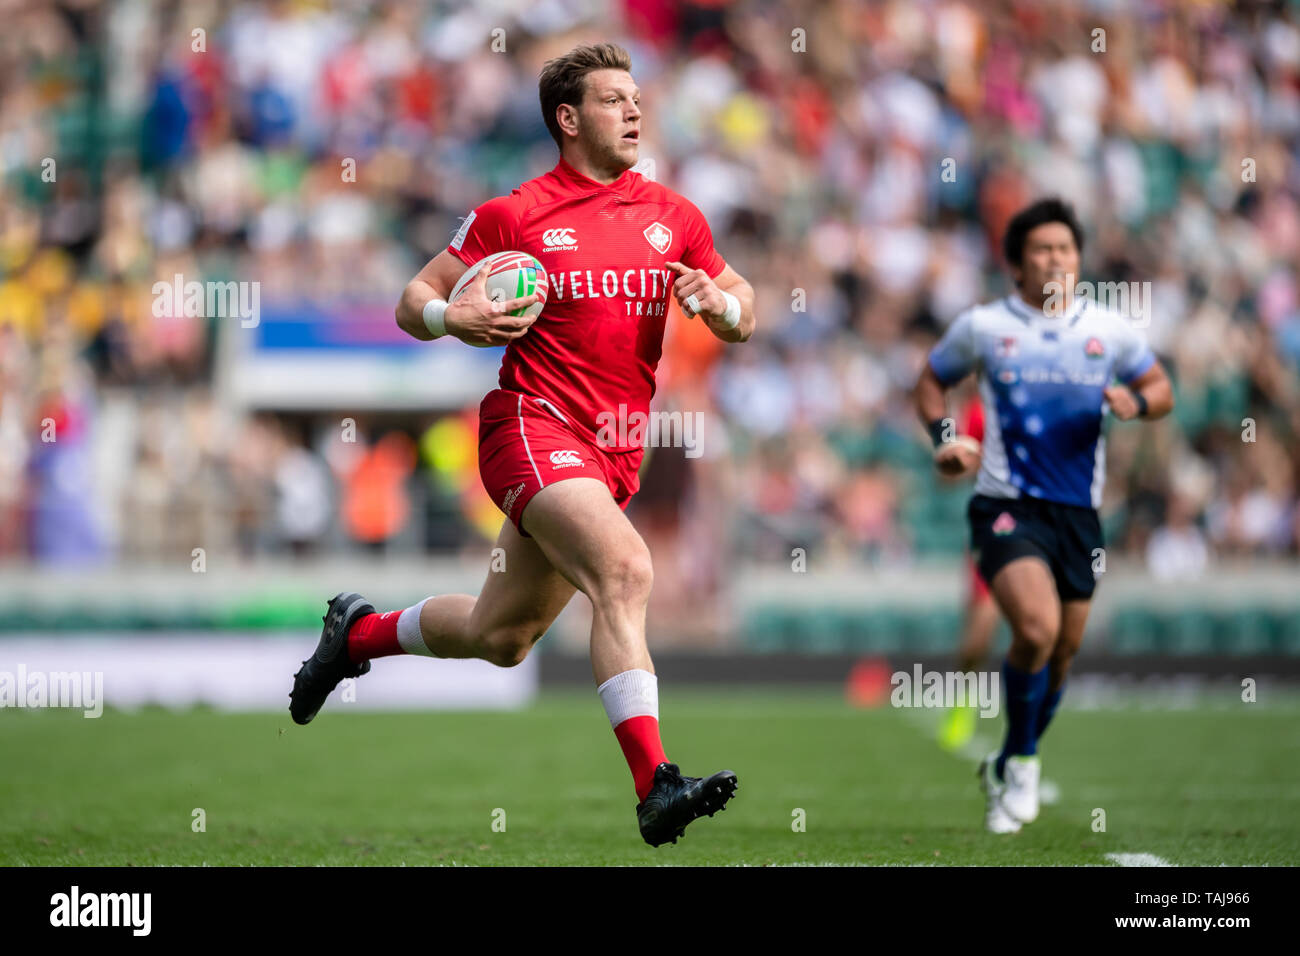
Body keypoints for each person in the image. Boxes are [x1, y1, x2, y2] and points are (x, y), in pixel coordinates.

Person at [289, 43, 756, 847]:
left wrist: (722, 305)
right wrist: (450, 319)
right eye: (614, 100)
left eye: (638, 97)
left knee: (499, 638)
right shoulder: (517, 214)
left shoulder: (675, 216)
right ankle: (656, 785)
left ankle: (354, 634)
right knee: (626, 569)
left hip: (612, 453)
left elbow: (742, 304)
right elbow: (414, 299)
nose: (636, 111)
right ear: (568, 120)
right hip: (531, 427)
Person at [913, 197, 1173, 833]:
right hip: (1005, 506)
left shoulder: (1109, 331)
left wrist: (1133, 405)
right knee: (1035, 628)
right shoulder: (985, 327)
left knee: (1063, 652)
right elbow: (929, 381)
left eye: (1065, 249)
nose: (1055, 259)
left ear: (1078, 261)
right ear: (1018, 266)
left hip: (1079, 517)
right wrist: (946, 437)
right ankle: (1024, 763)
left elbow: (1161, 389)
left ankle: (1005, 759)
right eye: (1041, 250)